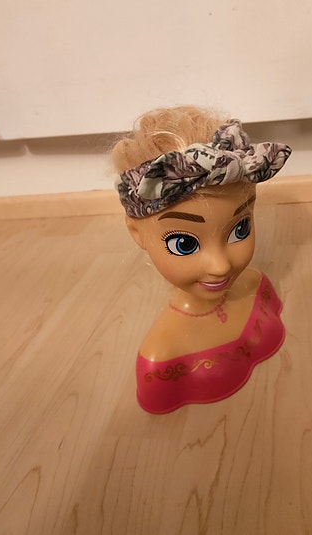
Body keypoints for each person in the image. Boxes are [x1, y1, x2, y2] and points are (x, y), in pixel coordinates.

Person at [111, 105, 291, 413]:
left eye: (240, 228)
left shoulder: (255, 284)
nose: (221, 266)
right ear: (137, 234)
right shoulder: (161, 356)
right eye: (184, 244)